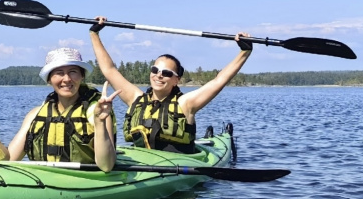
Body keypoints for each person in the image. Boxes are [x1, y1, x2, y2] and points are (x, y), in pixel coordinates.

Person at [88, 18, 253, 154]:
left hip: (178, 164)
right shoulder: (135, 99)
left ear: (177, 80)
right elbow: (109, 70)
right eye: (155, 70)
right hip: (141, 160)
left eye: (166, 73)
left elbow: (218, 81)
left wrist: (244, 52)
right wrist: (94, 33)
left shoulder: (186, 104)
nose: (159, 75)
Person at [0, 47, 119, 171]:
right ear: (49, 79)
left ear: (82, 76)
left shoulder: (96, 112)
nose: (66, 79)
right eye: (59, 73)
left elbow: (106, 166)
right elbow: (9, 159)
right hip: (45, 182)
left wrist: (100, 122)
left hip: (85, 180)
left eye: (73, 72)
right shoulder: (35, 115)